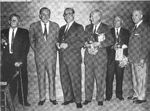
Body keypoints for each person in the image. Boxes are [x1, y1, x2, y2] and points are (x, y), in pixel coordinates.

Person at [29, 7, 59, 105]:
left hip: (51, 56)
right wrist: (37, 51)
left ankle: (53, 97)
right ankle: (42, 98)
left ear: (50, 15)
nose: (45, 16)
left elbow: (59, 40)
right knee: (41, 77)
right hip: (39, 57)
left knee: (51, 77)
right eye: (43, 14)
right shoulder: (33, 26)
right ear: (40, 15)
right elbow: (31, 40)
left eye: (47, 14)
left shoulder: (55, 25)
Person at [83, 9, 114, 106]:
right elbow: (83, 40)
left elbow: (111, 41)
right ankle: (88, 98)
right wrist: (86, 44)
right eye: (91, 16)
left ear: (100, 17)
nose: (92, 18)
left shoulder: (106, 27)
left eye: (95, 16)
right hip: (89, 56)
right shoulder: (87, 27)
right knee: (88, 78)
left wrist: (99, 44)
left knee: (100, 78)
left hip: (100, 57)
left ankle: (100, 98)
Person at [56, 8, 84, 108]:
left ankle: (78, 101)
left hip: (74, 58)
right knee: (64, 79)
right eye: (66, 14)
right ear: (63, 16)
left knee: (76, 79)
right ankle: (68, 98)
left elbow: (81, 42)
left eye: (70, 13)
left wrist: (68, 45)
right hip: (62, 58)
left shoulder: (79, 27)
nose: (68, 15)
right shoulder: (62, 28)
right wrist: (58, 45)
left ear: (73, 15)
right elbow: (59, 41)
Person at [1, 13, 30, 106]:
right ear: (9, 21)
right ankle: (9, 102)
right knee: (8, 81)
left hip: (20, 61)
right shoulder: (3, 32)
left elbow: (26, 47)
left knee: (22, 81)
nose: (13, 21)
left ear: (19, 22)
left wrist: (21, 60)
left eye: (15, 20)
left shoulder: (24, 32)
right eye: (12, 20)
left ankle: (23, 100)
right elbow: (2, 48)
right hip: (7, 61)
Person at [128, 9, 150, 104]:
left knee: (141, 78)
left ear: (141, 16)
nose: (134, 17)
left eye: (136, 15)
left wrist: (143, 58)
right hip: (133, 57)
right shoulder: (134, 28)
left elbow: (146, 44)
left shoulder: (144, 27)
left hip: (140, 58)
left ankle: (142, 97)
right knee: (135, 77)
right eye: (133, 15)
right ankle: (136, 94)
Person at [106, 15, 130, 101]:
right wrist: (112, 47)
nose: (116, 22)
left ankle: (119, 95)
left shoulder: (126, 32)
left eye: (118, 20)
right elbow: (106, 45)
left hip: (121, 58)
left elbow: (129, 45)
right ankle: (108, 96)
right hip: (111, 59)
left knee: (120, 77)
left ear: (121, 22)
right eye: (115, 20)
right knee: (109, 78)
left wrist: (125, 57)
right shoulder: (109, 31)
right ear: (113, 22)